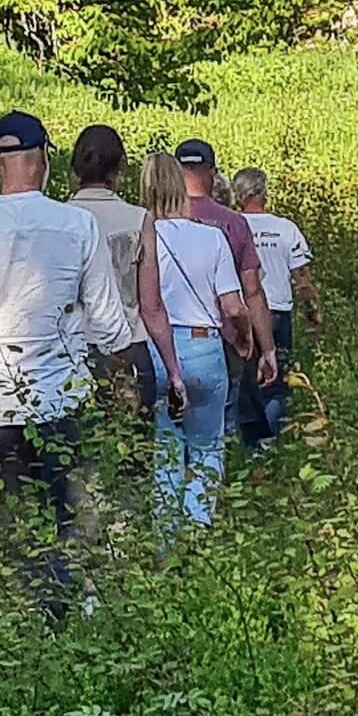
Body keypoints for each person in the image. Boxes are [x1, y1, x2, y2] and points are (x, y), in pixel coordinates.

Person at [0, 110, 132, 618]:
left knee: (20, 514)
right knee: (71, 510)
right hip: (64, 399)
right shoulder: (77, 226)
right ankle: (72, 612)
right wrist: (123, 379)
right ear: (44, 159)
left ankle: (42, 614)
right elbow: (107, 321)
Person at [135, 153, 251, 528]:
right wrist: (244, 336)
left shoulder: (143, 236)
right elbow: (232, 305)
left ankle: (165, 538)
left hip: (157, 349)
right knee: (206, 447)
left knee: (166, 448)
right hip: (204, 347)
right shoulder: (211, 237)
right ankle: (199, 530)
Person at [173, 138, 278, 437]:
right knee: (219, 427)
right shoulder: (233, 223)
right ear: (213, 173)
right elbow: (252, 291)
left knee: (170, 431)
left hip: (166, 338)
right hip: (223, 339)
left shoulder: (155, 220)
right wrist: (266, 347)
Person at [66, 124, 154, 411]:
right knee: (134, 434)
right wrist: (173, 369)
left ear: (76, 169)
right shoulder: (138, 219)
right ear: (120, 168)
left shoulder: (59, 220)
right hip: (130, 345)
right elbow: (151, 304)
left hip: (72, 350)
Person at [232, 166, 319, 448]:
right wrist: (313, 312)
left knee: (243, 383)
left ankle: (245, 445)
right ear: (264, 193)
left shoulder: (229, 225)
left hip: (240, 314)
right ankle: (266, 445)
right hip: (277, 313)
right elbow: (302, 278)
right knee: (276, 385)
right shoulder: (285, 228)